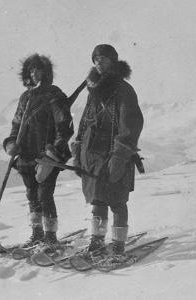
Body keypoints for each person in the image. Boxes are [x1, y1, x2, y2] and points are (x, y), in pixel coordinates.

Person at [72, 44, 143, 258]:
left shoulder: (123, 90)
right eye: (95, 58)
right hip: (93, 156)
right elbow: (84, 123)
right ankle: (96, 241)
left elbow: (130, 125)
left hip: (115, 155)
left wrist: (119, 157)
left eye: (103, 58)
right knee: (98, 200)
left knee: (117, 200)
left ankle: (118, 245)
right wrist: (78, 152)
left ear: (113, 60)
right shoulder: (93, 91)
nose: (98, 62)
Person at [3, 53, 73, 248]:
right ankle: (37, 234)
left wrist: (54, 151)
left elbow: (64, 126)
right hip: (26, 156)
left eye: (38, 69)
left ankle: (50, 237)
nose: (34, 73)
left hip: (48, 156)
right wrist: (11, 144)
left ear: (46, 72)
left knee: (45, 195)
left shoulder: (54, 94)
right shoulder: (25, 97)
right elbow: (16, 125)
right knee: (32, 195)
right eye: (31, 70)